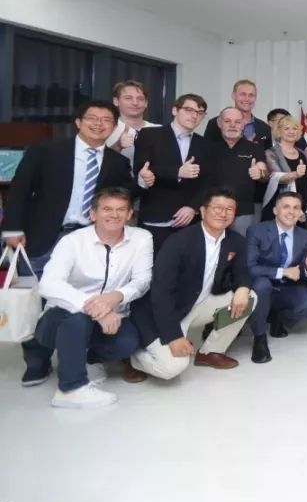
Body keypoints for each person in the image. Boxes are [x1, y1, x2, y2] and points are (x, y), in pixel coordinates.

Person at [21, 188, 151, 408]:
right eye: (107, 209)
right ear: (93, 214)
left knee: (128, 342)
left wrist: (116, 296)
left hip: (113, 314)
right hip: (61, 318)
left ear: (130, 214)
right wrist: (96, 307)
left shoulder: (141, 238)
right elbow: (49, 283)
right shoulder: (73, 241)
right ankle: (71, 388)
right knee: (77, 320)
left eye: (121, 209)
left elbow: (143, 280)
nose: (114, 215)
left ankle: (89, 360)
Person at [128, 188, 255, 380]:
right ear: (202, 211)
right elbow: (161, 293)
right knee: (173, 368)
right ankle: (134, 357)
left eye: (229, 209)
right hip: (164, 312)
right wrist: (173, 336)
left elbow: (242, 271)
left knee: (250, 297)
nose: (223, 213)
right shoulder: (179, 242)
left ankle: (210, 352)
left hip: (197, 304)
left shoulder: (236, 241)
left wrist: (243, 288)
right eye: (217, 207)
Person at [2, 100, 137, 277]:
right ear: (78, 122)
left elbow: (125, 195)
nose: (98, 124)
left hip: (89, 240)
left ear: (114, 127)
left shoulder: (118, 162)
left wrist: (143, 181)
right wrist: (12, 228)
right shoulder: (46, 150)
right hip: (43, 238)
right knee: (34, 291)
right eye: (92, 118)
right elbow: (20, 188)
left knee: (82, 291)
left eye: (106, 120)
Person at [134, 93, 214, 253]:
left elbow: (209, 181)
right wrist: (177, 171)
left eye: (200, 113)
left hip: (190, 221)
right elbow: (143, 169)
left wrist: (193, 207)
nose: (194, 116)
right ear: (175, 110)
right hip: (156, 216)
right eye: (189, 110)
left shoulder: (205, 144)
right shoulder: (150, 134)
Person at [245, 193, 307, 363]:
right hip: (262, 284)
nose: (291, 212)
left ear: (300, 213)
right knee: (262, 285)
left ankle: (278, 317)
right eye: (286, 207)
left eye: (296, 208)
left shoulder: (305, 236)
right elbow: (250, 268)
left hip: (287, 287)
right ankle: (259, 337)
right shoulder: (256, 231)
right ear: (275, 210)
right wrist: (282, 272)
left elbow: (301, 272)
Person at [207, 107, 269, 236]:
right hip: (213, 209)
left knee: (241, 246)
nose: (232, 125)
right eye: (227, 121)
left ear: (243, 124)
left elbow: (265, 174)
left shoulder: (255, 148)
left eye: (237, 122)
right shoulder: (207, 147)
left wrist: (260, 173)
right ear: (219, 123)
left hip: (243, 211)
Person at [262, 114, 307, 226]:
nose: (291, 131)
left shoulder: (302, 153)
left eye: (294, 128)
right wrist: (296, 174)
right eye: (286, 128)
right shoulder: (270, 153)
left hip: (302, 210)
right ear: (279, 131)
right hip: (279, 211)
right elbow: (277, 178)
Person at [203, 79, 273, 150]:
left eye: (251, 95)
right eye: (243, 94)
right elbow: (206, 151)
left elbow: (268, 155)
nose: (247, 99)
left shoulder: (264, 128)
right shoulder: (215, 123)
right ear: (233, 95)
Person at [107, 80, 159, 170]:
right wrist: (118, 146)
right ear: (116, 101)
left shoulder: (159, 130)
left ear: (146, 103)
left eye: (140, 99)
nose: (135, 103)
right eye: (128, 98)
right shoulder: (105, 129)